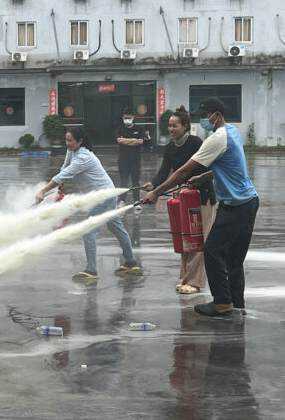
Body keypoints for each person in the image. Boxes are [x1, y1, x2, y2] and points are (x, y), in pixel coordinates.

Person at [140, 97, 259, 317]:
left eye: (204, 116)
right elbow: (226, 167)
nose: (203, 120)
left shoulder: (217, 139)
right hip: (248, 201)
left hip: (236, 205)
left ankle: (222, 303)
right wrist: (203, 177)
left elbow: (183, 171)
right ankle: (237, 304)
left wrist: (156, 192)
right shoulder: (232, 132)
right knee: (233, 257)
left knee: (212, 250)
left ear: (216, 115)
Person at [35, 128, 140, 281]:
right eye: (66, 140)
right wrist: (59, 184)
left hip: (102, 196)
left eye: (71, 141)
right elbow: (65, 168)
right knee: (116, 227)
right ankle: (130, 263)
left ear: (80, 141)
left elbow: (65, 173)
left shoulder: (84, 157)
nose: (68, 143)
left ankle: (91, 270)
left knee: (89, 231)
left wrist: (43, 191)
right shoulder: (72, 151)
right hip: (105, 194)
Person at [142, 105, 216, 295]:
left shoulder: (196, 143)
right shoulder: (169, 148)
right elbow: (164, 172)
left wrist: (158, 192)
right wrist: (153, 184)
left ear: (185, 127)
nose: (171, 129)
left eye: (175, 126)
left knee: (199, 240)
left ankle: (195, 282)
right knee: (185, 240)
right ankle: (184, 278)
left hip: (202, 197)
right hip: (183, 198)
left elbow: (199, 170)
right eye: (169, 126)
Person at [116, 109, 150, 205]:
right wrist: (134, 140)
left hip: (135, 160)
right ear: (122, 118)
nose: (127, 119)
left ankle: (136, 200)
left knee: (135, 181)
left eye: (129, 118)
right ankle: (122, 200)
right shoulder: (120, 129)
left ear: (133, 117)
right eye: (125, 118)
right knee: (123, 181)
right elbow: (119, 141)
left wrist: (125, 141)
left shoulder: (139, 129)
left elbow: (140, 141)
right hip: (123, 160)